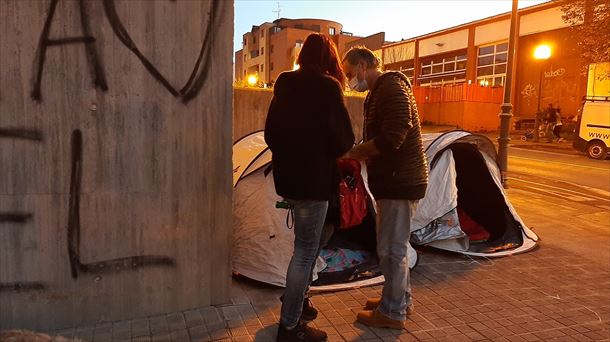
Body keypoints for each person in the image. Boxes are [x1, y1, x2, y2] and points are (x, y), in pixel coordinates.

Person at [265, 33, 355, 342]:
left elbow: (270, 136)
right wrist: (320, 151)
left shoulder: (284, 84)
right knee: (304, 252)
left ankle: (297, 301)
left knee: (314, 241)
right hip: (315, 183)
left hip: (289, 181)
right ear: (328, 58)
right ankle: (290, 327)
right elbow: (344, 141)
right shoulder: (328, 88)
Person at [341, 47, 428, 329]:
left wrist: (354, 153)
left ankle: (392, 313)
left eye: (351, 73)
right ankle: (398, 300)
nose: (350, 79)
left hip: (399, 181)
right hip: (394, 180)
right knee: (391, 246)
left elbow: (394, 136)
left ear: (364, 65)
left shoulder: (390, 86)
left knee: (392, 249)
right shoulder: (378, 92)